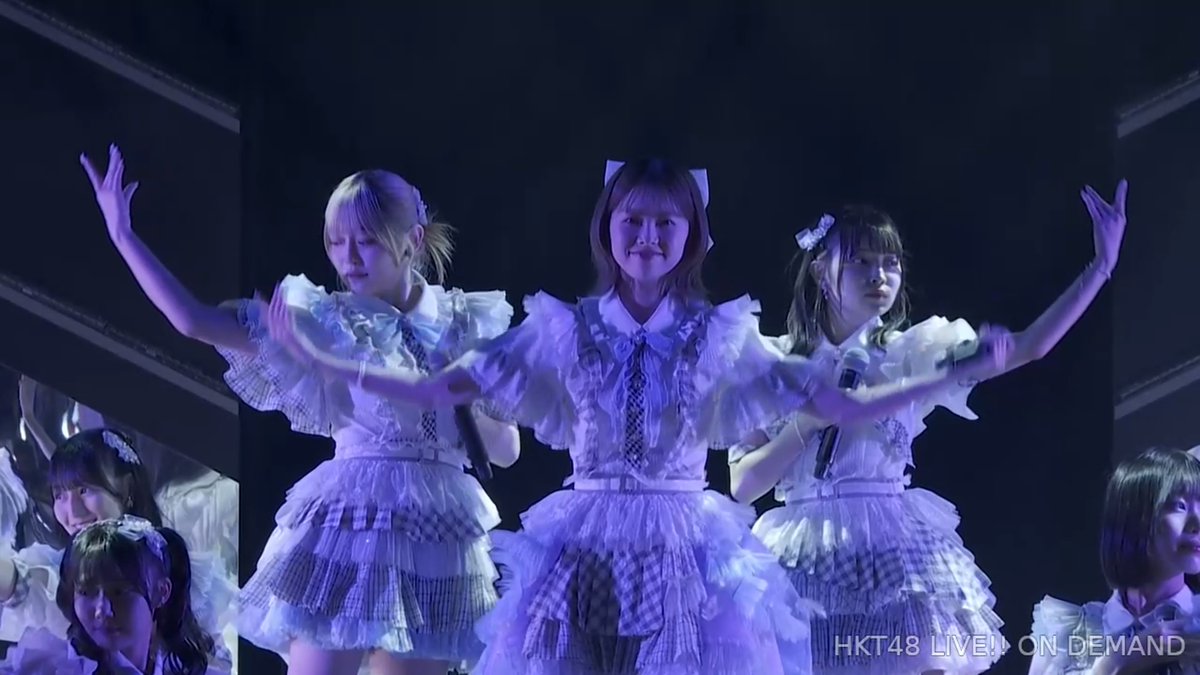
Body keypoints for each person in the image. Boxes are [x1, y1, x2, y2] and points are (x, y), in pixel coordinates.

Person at [268, 158, 1010, 674]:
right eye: (633, 220)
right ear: (608, 228)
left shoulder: (721, 335)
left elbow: (839, 405)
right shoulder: (565, 329)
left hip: (687, 541)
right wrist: (330, 361)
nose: (648, 237)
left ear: (692, 236)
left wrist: (974, 362)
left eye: (665, 222)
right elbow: (446, 389)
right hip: (584, 538)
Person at [82, 144, 519, 675]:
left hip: (438, 528)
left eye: (366, 242)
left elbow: (508, 448)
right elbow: (194, 320)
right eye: (336, 242)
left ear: (413, 240)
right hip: (352, 519)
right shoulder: (325, 319)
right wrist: (123, 236)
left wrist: (460, 401)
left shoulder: (466, 322)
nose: (348, 258)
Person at [726, 182, 1128, 674]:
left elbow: (1030, 347)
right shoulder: (770, 363)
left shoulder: (915, 351)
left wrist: (1100, 267)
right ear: (820, 272)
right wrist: (807, 424)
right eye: (861, 261)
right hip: (801, 550)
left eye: (890, 262)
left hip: (891, 546)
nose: (880, 275)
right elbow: (743, 485)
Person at [0, 429, 236, 669]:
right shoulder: (54, 571)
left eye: (84, 490)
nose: (71, 511)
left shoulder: (180, 569)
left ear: (127, 487)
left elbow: (213, 657)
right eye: (59, 495)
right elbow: (17, 582)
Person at [1029, 447, 1200, 674]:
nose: (1197, 522)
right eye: (1180, 506)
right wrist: (1114, 664)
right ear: (1136, 517)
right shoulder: (1067, 630)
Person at [0, 515, 225, 674]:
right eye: (86, 592)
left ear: (162, 592)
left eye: (119, 592)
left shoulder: (188, 667)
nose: (102, 610)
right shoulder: (49, 669)